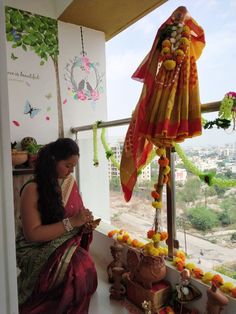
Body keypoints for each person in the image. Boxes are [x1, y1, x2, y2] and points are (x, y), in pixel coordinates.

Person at [16, 138, 100, 314]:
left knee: (85, 267)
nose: (71, 172)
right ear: (53, 160)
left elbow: (77, 214)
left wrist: (84, 222)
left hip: (63, 240)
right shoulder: (32, 189)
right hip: (36, 247)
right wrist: (73, 222)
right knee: (75, 272)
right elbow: (33, 234)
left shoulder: (70, 183)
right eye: (67, 166)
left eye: (74, 167)